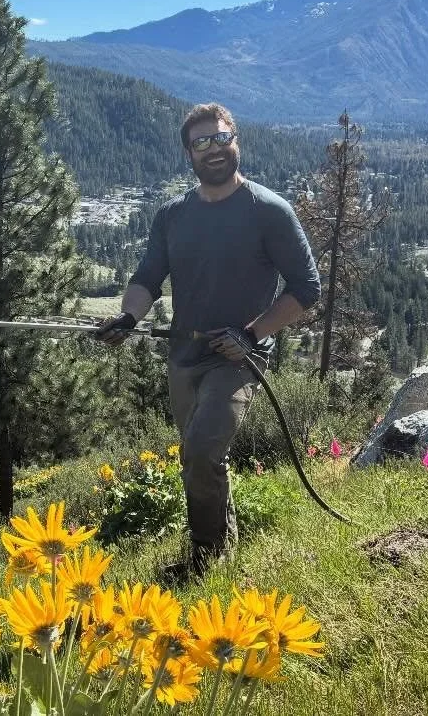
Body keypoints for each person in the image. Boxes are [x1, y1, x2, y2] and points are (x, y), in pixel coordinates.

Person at [96, 102, 320, 576]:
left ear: (236, 140)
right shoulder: (173, 216)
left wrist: (252, 333)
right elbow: (147, 277)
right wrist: (128, 316)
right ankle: (224, 543)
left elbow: (307, 289)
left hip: (239, 358)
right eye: (201, 142)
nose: (213, 149)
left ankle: (205, 558)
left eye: (221, 138)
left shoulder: (269, 212)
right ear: (188, 154)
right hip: (184, 355)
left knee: (200, 451)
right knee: (201, 457)